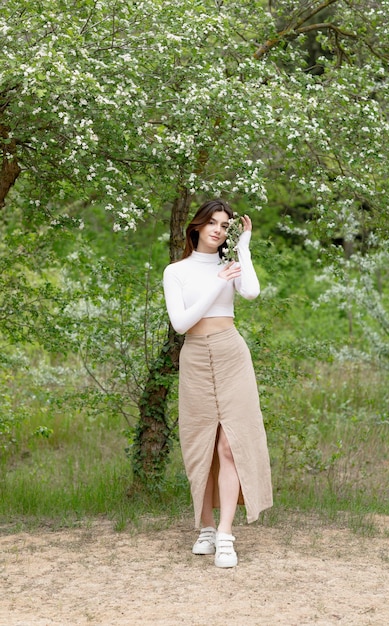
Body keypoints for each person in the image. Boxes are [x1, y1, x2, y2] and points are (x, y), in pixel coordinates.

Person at [163, 198, 273, 568]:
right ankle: (206, 527)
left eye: (225, 225)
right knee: (202, 445)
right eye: (212, 222)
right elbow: (181, 324)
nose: (218, 229)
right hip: (195, 354)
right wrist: (216, 283)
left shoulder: (230, 265)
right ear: (197, 226)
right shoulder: (175, 271)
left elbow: (252, 292)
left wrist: (243, 249)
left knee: (231, 443)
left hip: (230, 352)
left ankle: (226, 533)